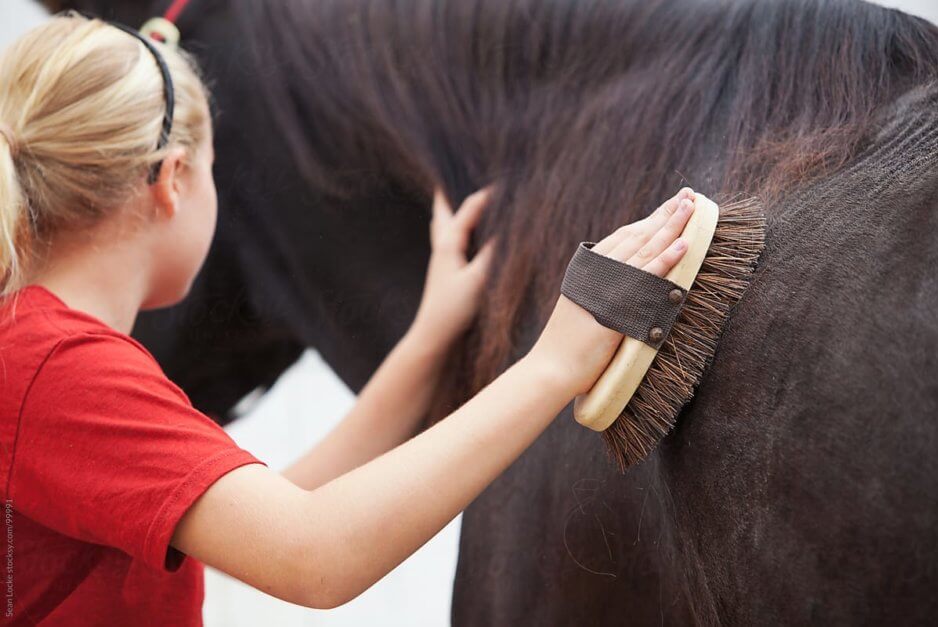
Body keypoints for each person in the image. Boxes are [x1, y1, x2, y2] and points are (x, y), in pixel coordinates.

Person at [0, 13, 694, 625]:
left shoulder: (39, 354)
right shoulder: (56, 370)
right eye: (214, 169)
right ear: (175, 179)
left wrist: (426, 336)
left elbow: (273, 509)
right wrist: (554, 363)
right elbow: (312, 554)